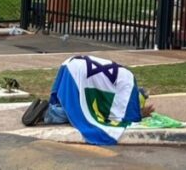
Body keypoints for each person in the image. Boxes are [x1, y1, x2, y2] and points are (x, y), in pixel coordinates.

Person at [22, 55, 154, 145]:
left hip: (71, 63)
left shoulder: (127, 76)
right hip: (80, 72)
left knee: (73, 103)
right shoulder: (128, 86)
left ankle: (50, 108)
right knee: (81, 113)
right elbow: (119, 116)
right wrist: (138, 115)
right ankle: (48, 113)